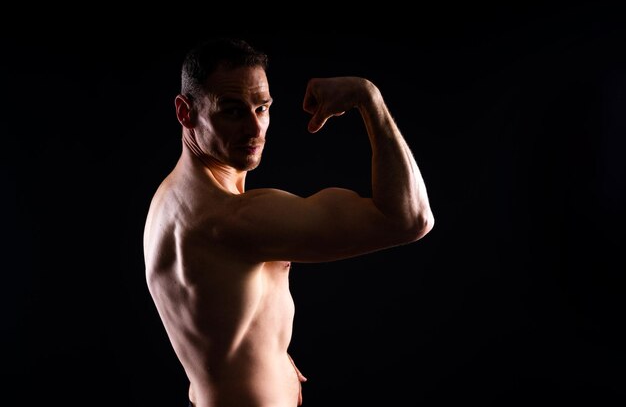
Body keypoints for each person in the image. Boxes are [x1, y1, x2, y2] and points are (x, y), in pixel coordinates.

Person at [143, 37, 435, 407]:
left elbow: (212, 328)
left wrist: (265, 361)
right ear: (186, 113)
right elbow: (410, 218)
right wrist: (368, 98)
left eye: (262, 107)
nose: (255, 128)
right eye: (232, 111)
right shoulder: (232, 219)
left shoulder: (170, 198)